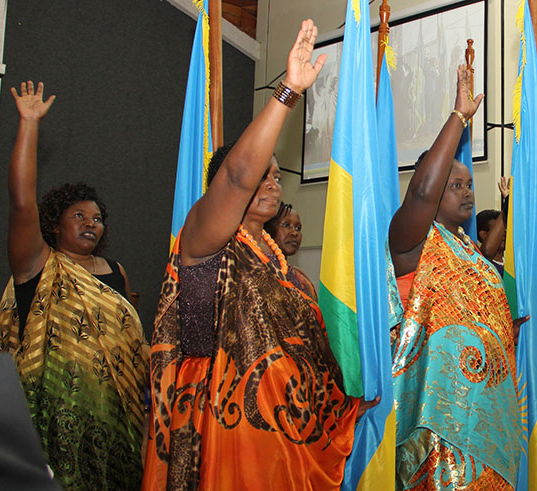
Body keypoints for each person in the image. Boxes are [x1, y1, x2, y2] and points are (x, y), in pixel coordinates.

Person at [142, 20, 373, 490]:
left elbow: (313, 359)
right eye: (261, 175)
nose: (271, 182)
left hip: (292, 450)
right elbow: (234, 178)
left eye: (276, 176)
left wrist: (346, 407)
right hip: (225, 449)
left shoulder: (285, 269)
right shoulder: (203, 243)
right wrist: (288, 90)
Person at [0, 81, 149, 489]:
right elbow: (21, 203)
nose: (90, 223)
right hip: (50, 430)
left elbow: (132, 348)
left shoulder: (116, 271)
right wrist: (29, 124)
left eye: (97, 218)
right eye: (79, 215)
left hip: (118, 428)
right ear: (54, 223)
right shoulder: (38, 266)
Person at [389, 65, 524, 490]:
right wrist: (459, 118)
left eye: (469, 185)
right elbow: (420, 194)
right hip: (436, 428)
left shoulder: (475, 255)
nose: (467, 191)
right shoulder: (412, 242)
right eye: (455, 184)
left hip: (488, 420)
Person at [264, 201, 318, 300]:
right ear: (268, 228)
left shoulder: (300, 277)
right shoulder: (259, 270)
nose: (294, 233)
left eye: (298, 228)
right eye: (286, 225)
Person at [476, 177, 511, 275]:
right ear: (484, 234)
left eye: (506, 229)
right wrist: (508, 202)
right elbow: (487, 252)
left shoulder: (513, 264)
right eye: (499, 230)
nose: (505, 233)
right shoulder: (481, 264)